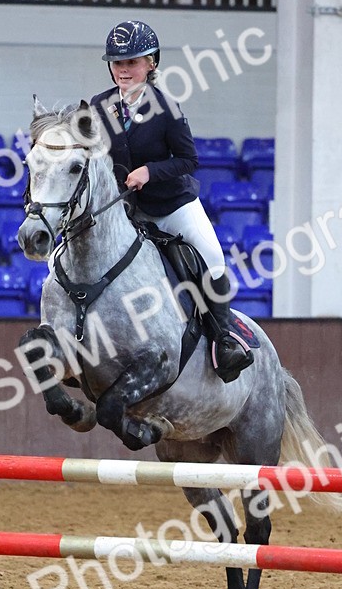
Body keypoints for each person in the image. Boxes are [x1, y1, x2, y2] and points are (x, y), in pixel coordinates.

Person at [90, 19, 253, 383]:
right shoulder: (100, 106)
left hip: (173, 205)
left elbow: (188, 160)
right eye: (117, 63)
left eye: (131, 62)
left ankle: (223, 340)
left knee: (212, 256)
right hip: (127, 211)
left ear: (151, 63)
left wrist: (150, 171)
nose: (122, 70)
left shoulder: (167, 108)